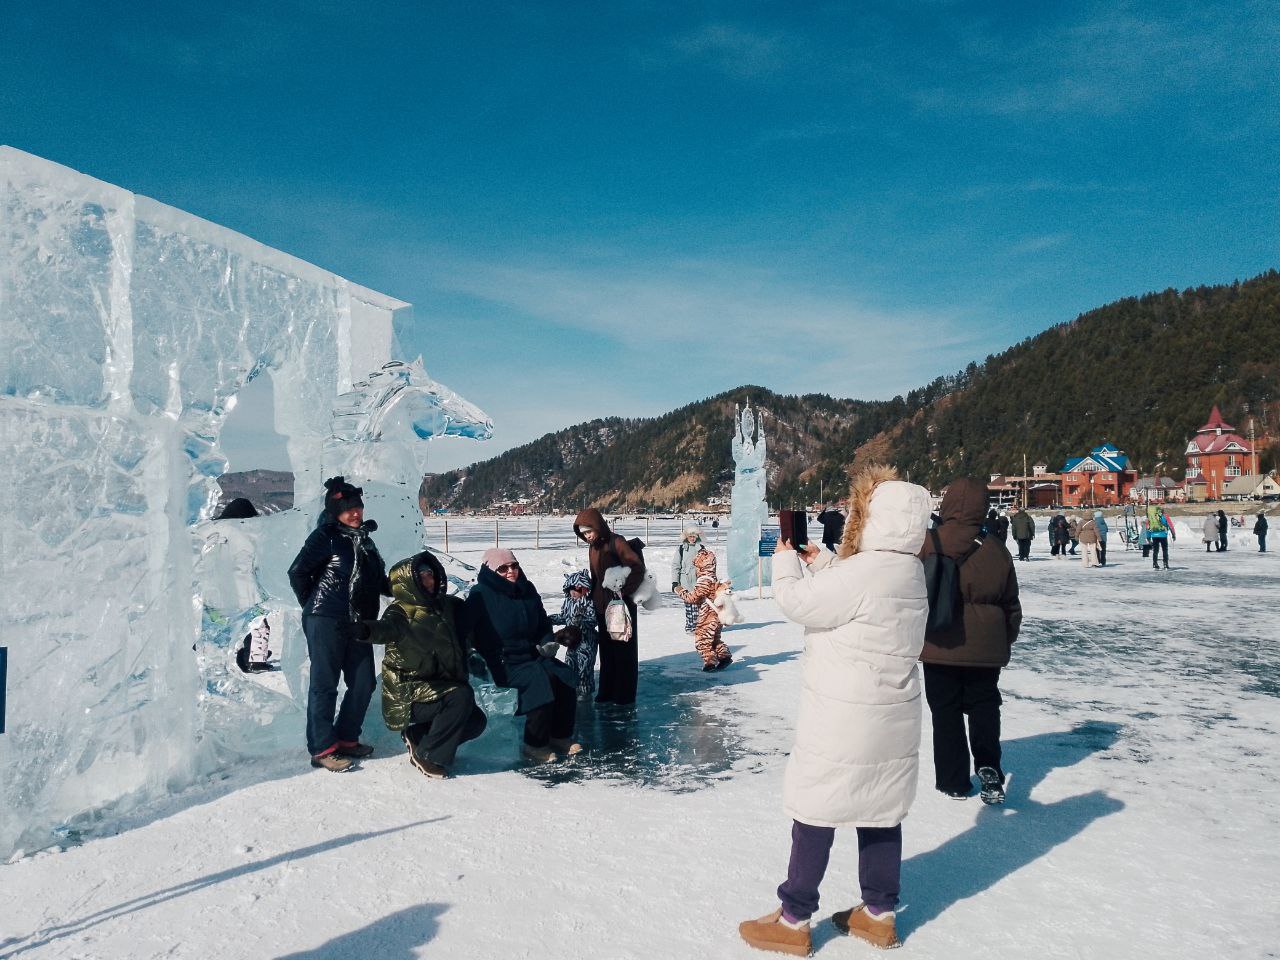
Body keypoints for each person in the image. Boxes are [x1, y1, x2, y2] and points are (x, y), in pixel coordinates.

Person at [739, 465, 932, 955]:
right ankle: (879, 914)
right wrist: (822, 559)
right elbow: (859, 599)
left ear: (872, 519)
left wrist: (786, 561)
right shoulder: (908, 569)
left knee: (816, 807)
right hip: (894, 713)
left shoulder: (866, 571)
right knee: (881, 811)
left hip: (847, 715)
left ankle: (794, 917)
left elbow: (802, 602)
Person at [919, 477, 1022, 804]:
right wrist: (1004, 639)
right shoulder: (996, 549)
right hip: (987, 647)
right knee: (984, 706)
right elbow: (1011, 603)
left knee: (945, 711)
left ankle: (953, 780)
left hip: (938, 642)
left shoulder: (928, 542)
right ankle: (989, 765)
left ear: (947, 503)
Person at [341, 550, 486, 779]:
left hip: (437, 688)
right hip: (409, 694)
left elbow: (474, 616)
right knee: (460, 696)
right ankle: (428, 755)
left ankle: (419, 735)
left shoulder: (446, 606)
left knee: (476, 722)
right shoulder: (400, 612)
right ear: (409, 582)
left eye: (431, 574)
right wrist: (364, 629)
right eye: (422, 576)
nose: (429, 580)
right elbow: (386, 629)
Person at [287, 477, 389, 772]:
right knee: (325, 684)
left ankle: (345, 737)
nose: (355, 513)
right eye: (347, 509)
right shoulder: (326, 536)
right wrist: (314, 606)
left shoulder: (365, 541)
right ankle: (322, 748)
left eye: (357, 507)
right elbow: (298, 572)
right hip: (326, 619)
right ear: (335, 512)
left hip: (357, 622)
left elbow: (378, 581)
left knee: (363, 681)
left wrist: (410, 587)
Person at [466, 548, 581, 762]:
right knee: (540, 682)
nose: (511, 571)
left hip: (531, 655)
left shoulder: (527, 589)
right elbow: (464, 630)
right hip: (501, 662)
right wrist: (472, 656)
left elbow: (543, 622)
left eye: (514, 566)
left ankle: (559, 736)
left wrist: (547, 642)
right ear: (491, 571)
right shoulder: (480, 594)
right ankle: (534, 744)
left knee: (563, 676)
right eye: (503, 568)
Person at [573, 509, 646, 705]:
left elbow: (637, 568)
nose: (587, 536)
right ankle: (607, 691)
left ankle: (624, 694)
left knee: (623, 650)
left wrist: (624, 591)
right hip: (601, 607)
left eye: (589, 531)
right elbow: (596, 577)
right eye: (583, 534)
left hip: (620, 605)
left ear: (598, 527)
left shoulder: (617, 541)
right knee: (607, 650)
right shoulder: (593, 547)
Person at [674, 548, 733, 671]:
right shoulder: (714, 579)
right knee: (714, 639)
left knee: (702, 641)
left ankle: (710, 663)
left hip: (708, 616)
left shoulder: (704, 581)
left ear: (701, 566)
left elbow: (691, 598)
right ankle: (724, 656)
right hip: (718, 615)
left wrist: (679, 590)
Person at [550, 569, 599, 701]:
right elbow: (563, 617)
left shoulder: (590, 602)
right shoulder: (568, 602)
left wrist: (582, 621)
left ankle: (585, 694)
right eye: (570, 589)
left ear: (584, 589)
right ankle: (571, 690)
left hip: (586, 642)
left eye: (576, 589)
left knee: (585, 667)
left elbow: (593, 619)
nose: (573, 592)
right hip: (572, 642)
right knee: (570, 664)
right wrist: (549, 619)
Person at [671, 525, 707, 634]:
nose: (692, 538)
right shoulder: (681, 549)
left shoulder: (701, 549)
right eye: (690, 536)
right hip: (685, 582)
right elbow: (675, 566)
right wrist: (675, 582)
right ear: (686, 536)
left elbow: (706, 566)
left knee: (699, 606)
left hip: (698, 582)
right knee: (689, 606)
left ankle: (698, 627)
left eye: (694, 536)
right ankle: (690, 627)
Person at [1146, 504, 1175, 570]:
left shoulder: (1151, 517)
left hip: (1154, 535)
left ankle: (1155, 564)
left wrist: (1148, 537)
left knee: (1155, 550)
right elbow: (1171, 526)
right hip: (1163, 535)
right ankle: (1165, 564)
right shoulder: (1165, 516)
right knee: (1165, 550)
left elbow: (1148, 527)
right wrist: (1173, 535)